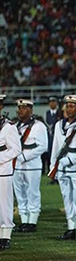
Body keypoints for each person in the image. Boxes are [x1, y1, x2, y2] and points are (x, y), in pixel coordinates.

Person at [50, 94, 76, 241]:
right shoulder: (59, 124)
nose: (69, 108)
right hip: (62, 168)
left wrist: (70, 160)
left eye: (73, 106)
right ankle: (71, 227)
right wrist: (54, 164)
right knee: (67, 199)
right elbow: (56, 147)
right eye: (68, 105)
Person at [13, 99, 48, 232]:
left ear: (30, 110)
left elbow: (43, 147)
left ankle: (32, 222)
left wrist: (24, 157)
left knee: (32, 193)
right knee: (20, 193)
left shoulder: (39, 126)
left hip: (32, 164)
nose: (20, 110)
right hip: (17, 165)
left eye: (23, 108)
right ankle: (24, 221)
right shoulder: (16, 126)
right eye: (19, 108)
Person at [0, 95, 21, 250]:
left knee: (5, 205)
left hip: (3, 171)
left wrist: (0, 158)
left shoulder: (8, 127)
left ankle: (5, 236)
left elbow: (16, 149)